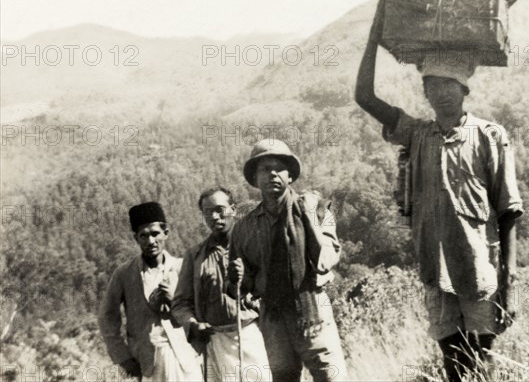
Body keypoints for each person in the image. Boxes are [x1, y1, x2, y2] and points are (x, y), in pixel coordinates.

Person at [355, 6, 523, 381]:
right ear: (425, 91)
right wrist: (373, 39)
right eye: (434, 85)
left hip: (480, 270)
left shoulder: (489, 136)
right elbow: (364, 96)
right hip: (436, 268)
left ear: (464, 89)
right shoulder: (415, 134)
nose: (442, 92)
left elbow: (509, 209)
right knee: (452, 362)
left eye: (450, 85)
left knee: (483, 362)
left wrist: (509, 279)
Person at [228, 139, 348, 382]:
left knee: (330, 376)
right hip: (273, 318)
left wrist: (309, 215)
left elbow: (325, 259)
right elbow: (239, 285)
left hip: (313, 308)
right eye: (264, 169)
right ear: (255, 178)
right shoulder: (244, 228)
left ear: (290, 175)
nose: (272, 173)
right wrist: (239, 283)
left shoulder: (318, 209)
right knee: (283, 377)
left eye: (278, 168)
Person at [172, 187, 271, 382]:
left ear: (233, 209)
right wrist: (192, 325)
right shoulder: (195, 255)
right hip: (215, 341)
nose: (215, 216)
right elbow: (180, 303)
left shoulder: (254, 245)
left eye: (220, 209)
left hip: (252, 334)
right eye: (208, 212)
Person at [98, 202, 203, 381]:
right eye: (143, 236)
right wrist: (123, 358)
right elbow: (107, 317)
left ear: (166, 233)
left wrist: (197, 345)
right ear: (136, 239)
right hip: (147, 363)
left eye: (155, 234)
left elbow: (201, 308)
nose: (151, 241)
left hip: (184, 358)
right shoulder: (125, 273)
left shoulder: (182, 267)